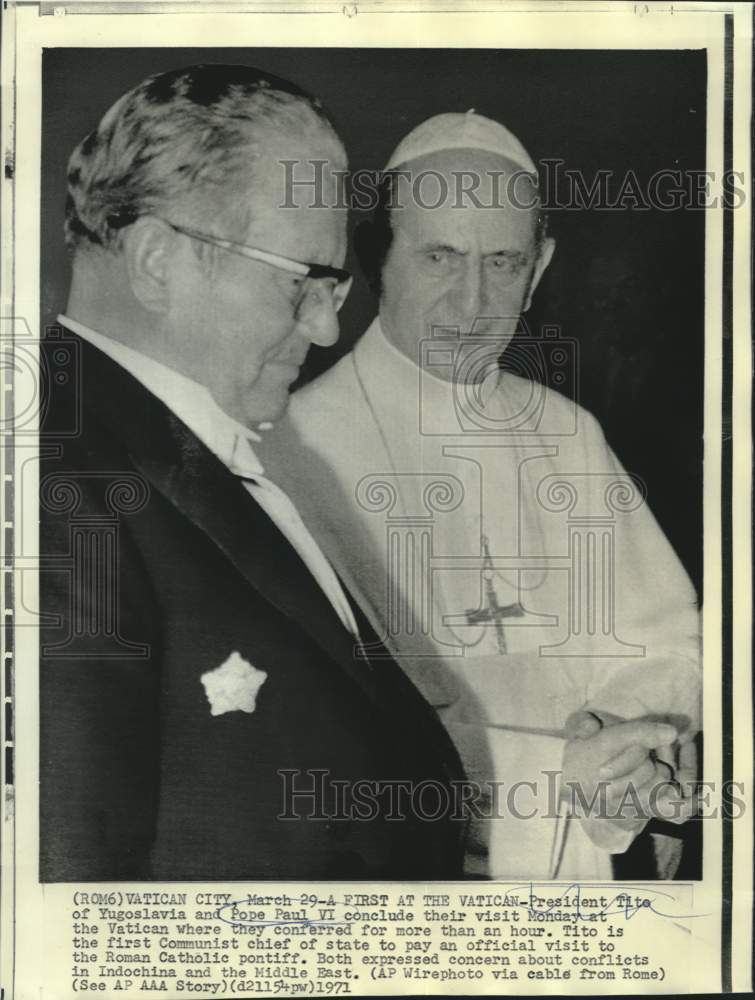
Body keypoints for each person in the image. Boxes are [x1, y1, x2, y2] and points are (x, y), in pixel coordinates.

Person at [39, 66, 472, 881]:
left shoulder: (177, 451)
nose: (327, 325)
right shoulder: (55, 488)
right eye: (304, 280)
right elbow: (71, 906)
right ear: (159, 259)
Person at [265, 112, 701, 879]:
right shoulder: (289, 451)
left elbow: (663, 645)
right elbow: (313, 736)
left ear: (538, 270)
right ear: (378, 260)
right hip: (394, 888)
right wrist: (560, 771)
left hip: (576, 879)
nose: (472, 304)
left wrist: (625, 745)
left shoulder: (568, 435)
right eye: (440, 257)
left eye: (502, 263)